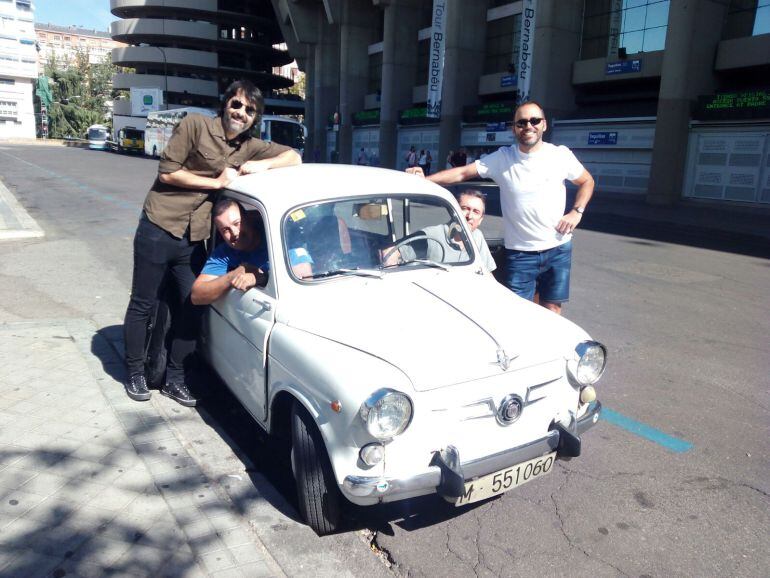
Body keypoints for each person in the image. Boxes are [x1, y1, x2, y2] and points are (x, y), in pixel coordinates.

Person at [123, 79, 302, 407]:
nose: (241, 113)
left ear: (254, 118)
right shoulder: (195, 126)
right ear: (225, 105)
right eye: (236, 105)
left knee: (193, 306)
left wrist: (262, 164)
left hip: (194, 238)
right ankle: (134, 371)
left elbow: (293, 158)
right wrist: (216, 182)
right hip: (160, 225)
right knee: (143, 303)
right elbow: (167, 173)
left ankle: (175, 378)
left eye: (250, 110)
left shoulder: (249, 146)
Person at [406, 101, 594, 316]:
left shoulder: (560, 155)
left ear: (544, 125)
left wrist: (576, 212)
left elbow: (587, 181)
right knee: (518, 312)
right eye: (521, 122)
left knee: (552, 308)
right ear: (514, 128)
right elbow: (462, 173)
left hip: (558, 247)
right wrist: (424, 180)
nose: (528, 126)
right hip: (521, 252)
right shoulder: (503, 158)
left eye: (534, 121)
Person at [191, 199, 313, 305]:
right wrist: (233, 276)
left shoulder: (279, 238)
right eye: (225, 230)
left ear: (248, 219)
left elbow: (302, 292)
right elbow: (197, 296)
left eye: (237, 223)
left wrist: (259, 278)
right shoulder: (225, 252)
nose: (234, 232)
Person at [386, 190, 496, 273]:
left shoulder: (477, 236)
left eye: (476, 212)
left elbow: (487, 273)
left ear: (480, 220)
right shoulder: (433, 234)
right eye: (465, 208)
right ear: (455, 211)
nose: (469, 216)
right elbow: (389, 252)